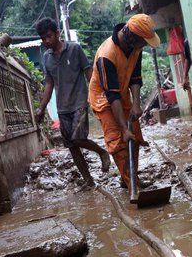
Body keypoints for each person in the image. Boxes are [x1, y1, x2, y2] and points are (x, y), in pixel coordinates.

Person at [35, 18, 110, 187]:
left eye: (49, 36)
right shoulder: (47, 58)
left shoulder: (75, 49)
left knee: (78, 138)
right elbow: (49, 84)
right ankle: (88, 180)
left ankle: (102, 152)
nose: (46, 41)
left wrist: (97, 96)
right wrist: (41, 108)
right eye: (43, 38)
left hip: (79, 102)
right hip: (62, 107)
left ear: (57, 33)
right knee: (71, 145)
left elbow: (88, 72)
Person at [88, 14, 160, 189]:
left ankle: (128, 176)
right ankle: (132, 185)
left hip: (122, 93)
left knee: (133, 135)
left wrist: (136, 103)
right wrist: (122, 128)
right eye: (143, 41)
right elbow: (111, 95)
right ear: (132, 37)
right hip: (104, 99)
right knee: (118, 140)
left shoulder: (135, 47)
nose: (144, 45)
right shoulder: (107, 55)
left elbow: (135, 77)